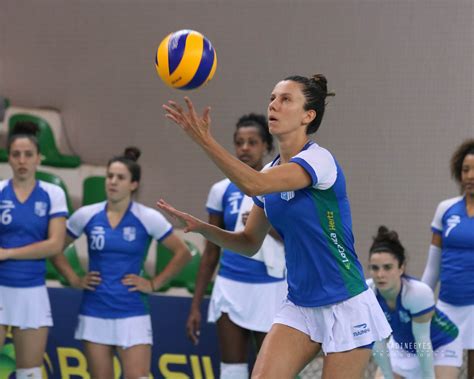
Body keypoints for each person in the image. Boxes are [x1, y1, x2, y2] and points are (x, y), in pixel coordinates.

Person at [159, 74, 392, 378]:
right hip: (299, 305)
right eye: (272, 98)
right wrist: (204, 229)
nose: (274, 105)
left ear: (308, 116)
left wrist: (205, 140)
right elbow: (248, 242)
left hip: (345, 302)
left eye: (285, 99)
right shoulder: (271, 171)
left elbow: (253, 184)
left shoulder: (320, 161)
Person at [52, 147, 191, 379]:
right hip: (94, 311)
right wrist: (74, 278)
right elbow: (55, 248)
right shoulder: (86, 215)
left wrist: (154, 283)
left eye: (120, 177)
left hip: (133, 312)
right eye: (110, 176)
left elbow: (182, 253)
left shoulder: (147, 217)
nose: (113, 182)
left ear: (134, 184)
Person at [186, 113, 287, 379]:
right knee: (232, 370)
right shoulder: (221, 190)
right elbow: (210, 252)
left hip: (271, 288)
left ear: (266, 147)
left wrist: (264, 222)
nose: (244, 148)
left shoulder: (280, 185)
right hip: (229, 286)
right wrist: (196, 304)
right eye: (239, 142)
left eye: (252, 142)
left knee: (270, 371)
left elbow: (298, 237)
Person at [0, 122, 68, 379]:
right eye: (16, 154)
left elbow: (55, 244)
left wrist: (7, 253)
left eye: (28, 154)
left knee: (29, 373)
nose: (22, 160)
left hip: (32, 291)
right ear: (9, 157)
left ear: (39, 158)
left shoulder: (53, 194)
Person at [368, 226, 462, 379]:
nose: (380, 274)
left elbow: (422, 342)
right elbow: (377, 344)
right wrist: (388, 375)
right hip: (402, 346)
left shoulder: (417, 293)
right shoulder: (367, 294)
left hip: (441, 344)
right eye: (374, 268)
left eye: (387, 267)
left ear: (401, 268)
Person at [421, 138, 474, 378]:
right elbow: (433, 267)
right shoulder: (446, 209)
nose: (471, 175)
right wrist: (418, 301)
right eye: (465, 170)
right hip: (446, 306)